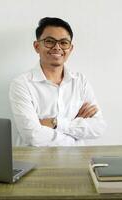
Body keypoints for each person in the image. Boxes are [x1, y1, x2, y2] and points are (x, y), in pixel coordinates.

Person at [9, 17, 107, 146]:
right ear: (37, 46)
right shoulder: (22, 84)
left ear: (70, 48)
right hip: (35, 162)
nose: (57, 47)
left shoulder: (80, 81)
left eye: (64, 43)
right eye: (49, 41)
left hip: (76, 162)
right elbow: (33, 136)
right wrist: (75, 137)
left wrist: (55, 123)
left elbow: (98, 128)